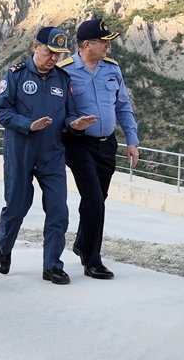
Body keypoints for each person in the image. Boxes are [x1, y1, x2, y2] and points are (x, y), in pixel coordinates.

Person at [0, 27, 96, 286]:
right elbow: (1, 111)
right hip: (21, 152)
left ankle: (52, 266)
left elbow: (69, 114)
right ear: (35, 47)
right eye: (49, 52)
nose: (53, 59)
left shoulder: (62, 79)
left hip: (52, 154)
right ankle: (4, 247)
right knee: (17, 207)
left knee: (59, 210)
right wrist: (28, 124)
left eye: (58, 55)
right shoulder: (15, 75)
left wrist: (76, 124)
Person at [59, 17, 140, 280]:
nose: (108, 46)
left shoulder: (112, 70)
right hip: (78, 143)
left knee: (97, 199)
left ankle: (82, 242)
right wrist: (74, 123)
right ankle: (92, 260)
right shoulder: (65, 71)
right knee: (93, 198)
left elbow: (123, 106)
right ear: (86, 45)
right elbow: (58, 112)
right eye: (103, 42)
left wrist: (132, 140)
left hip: (108, 145)